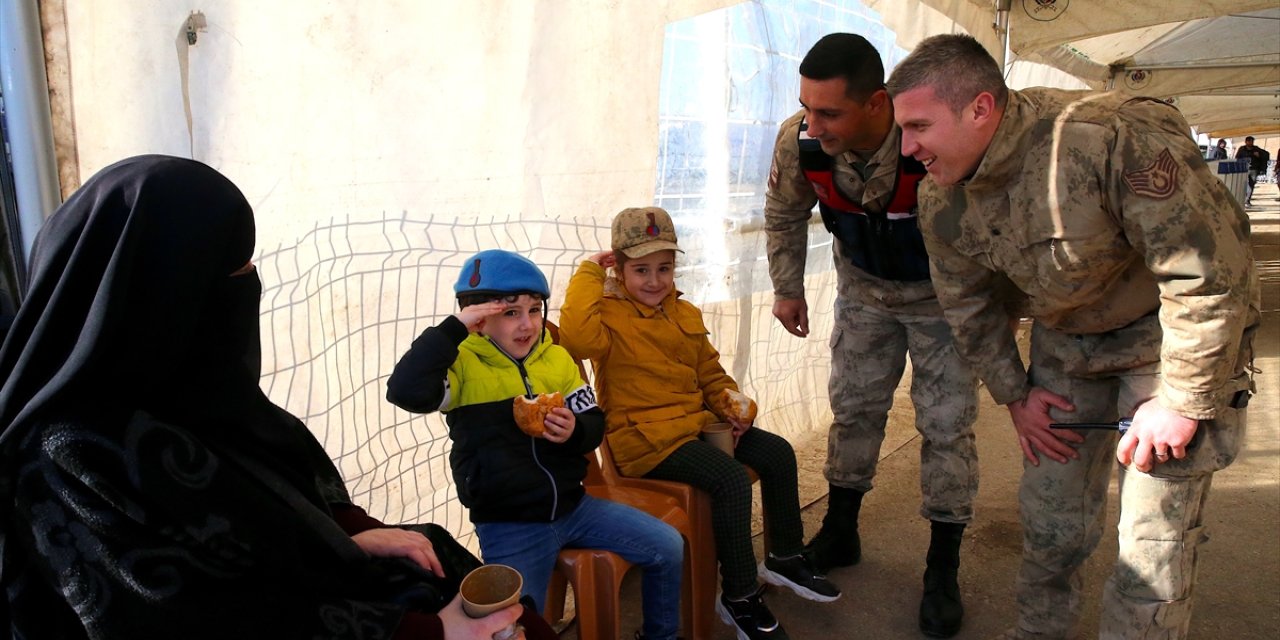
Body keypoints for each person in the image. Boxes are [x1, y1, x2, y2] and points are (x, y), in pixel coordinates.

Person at [0, 155, 555, 640]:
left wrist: (351, 531)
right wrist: (424, 632)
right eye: (231, 273)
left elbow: (282, 491)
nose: (247, 289)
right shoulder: (68, 454)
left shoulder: (193, 392)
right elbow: (180, 618)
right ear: (160, 295)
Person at [887, 35, 1260, 640]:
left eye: (919, 126)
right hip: (1067, 344)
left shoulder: (1107, 139)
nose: (907, 150)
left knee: (1153, 545)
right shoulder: (941, 198)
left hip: (1167, 343)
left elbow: (1208, 271)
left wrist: (1183, 400)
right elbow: (969, 304)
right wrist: (1016, 395)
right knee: (1051, 525)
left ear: (980, 108)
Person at [763, 33, 979, 638]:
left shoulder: (931, 139)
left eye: (829, 111)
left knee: (946, 427)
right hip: (864, 293)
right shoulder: (803, 140)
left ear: (878, 104)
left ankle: (942, 567)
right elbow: (782, 212)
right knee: (853, 410)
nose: (815, 123)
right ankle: (841, 528)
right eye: (807, 107)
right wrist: (787, 287)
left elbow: (993, 220)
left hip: (943, 302)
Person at [558, 207, 841, 640]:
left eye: (664, 268)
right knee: (728, 479)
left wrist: (734, 407)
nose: (655, 281)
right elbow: (574, 338)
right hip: (645, 442)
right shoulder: (607, 315)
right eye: (641, 270)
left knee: (777, 453)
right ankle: (740, 596)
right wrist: (589, 272)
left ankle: (784, 556)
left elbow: (710, 373)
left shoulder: (684, 312)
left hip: (696, 427)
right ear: (619, 267)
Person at [385, 249, 684, 640]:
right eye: (510, 313)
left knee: (668, 545)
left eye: (534, 310)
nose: (527, 325)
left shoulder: (557, 359)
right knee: (519, 626)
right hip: (510, 525)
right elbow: (405, 391)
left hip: (577, 507)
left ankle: (661, 635)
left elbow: (595, 422)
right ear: (478, 320)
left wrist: (574, 430)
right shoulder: (459, 367)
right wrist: (452, 329)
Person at [1234, 135, 1270, 205]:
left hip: (1254, 169)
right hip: (1243, 169)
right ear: (1246, 142)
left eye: (1252, 141)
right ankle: (1241, 198)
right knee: (1242, 184)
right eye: (1249, 141)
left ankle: (1247, 200)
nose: (1251, 143)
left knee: (1251, 184)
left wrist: (1259, 156)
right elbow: (1237, 158)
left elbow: (1266, 155)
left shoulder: (1256, 149)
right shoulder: (1242, 149)